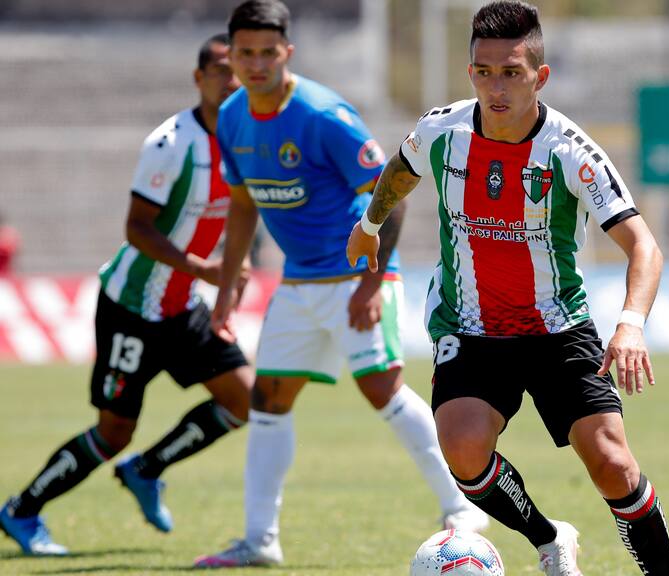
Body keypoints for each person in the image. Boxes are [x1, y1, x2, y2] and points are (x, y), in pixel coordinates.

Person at [347, 2, 669, 575]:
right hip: (469, 325)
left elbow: (643, 246)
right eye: (483, 71)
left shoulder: (570, 151)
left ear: (540, 76)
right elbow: (400, 169)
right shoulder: (441, 129)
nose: (495, 87)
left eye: (512, 72)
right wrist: (369, 225)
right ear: (469, 70)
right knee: (464, 454)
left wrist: (629, 323)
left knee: (613, 465)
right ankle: (550, 540)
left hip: (557, 329)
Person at [193, 0, 489, 568]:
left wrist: (369, 285)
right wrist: (229, 285)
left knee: (380, 387)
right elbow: (240, 205)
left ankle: (462, 506)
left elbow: (390, 193)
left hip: (355, 275)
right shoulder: (231, 116)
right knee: (268, 399)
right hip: (299, 281)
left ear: (287, 53)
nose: (256, 64)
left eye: (267, 53)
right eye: (245, 53)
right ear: (232, 55)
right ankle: (261, 542)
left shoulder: (322, 114)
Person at [0, 34, 253, 556]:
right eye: (221, 70)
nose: (231, 81)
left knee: (244, 399)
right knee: (113, 432)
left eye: (239, 70)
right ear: (199, 78)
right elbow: (137, 228)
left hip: (185, 306)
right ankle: (21, 510)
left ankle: (147, 468)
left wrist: (227, 275)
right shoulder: (171, 142)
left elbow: (239, 216)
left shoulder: (248, 139)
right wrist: (199, 267)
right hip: (133, 307)